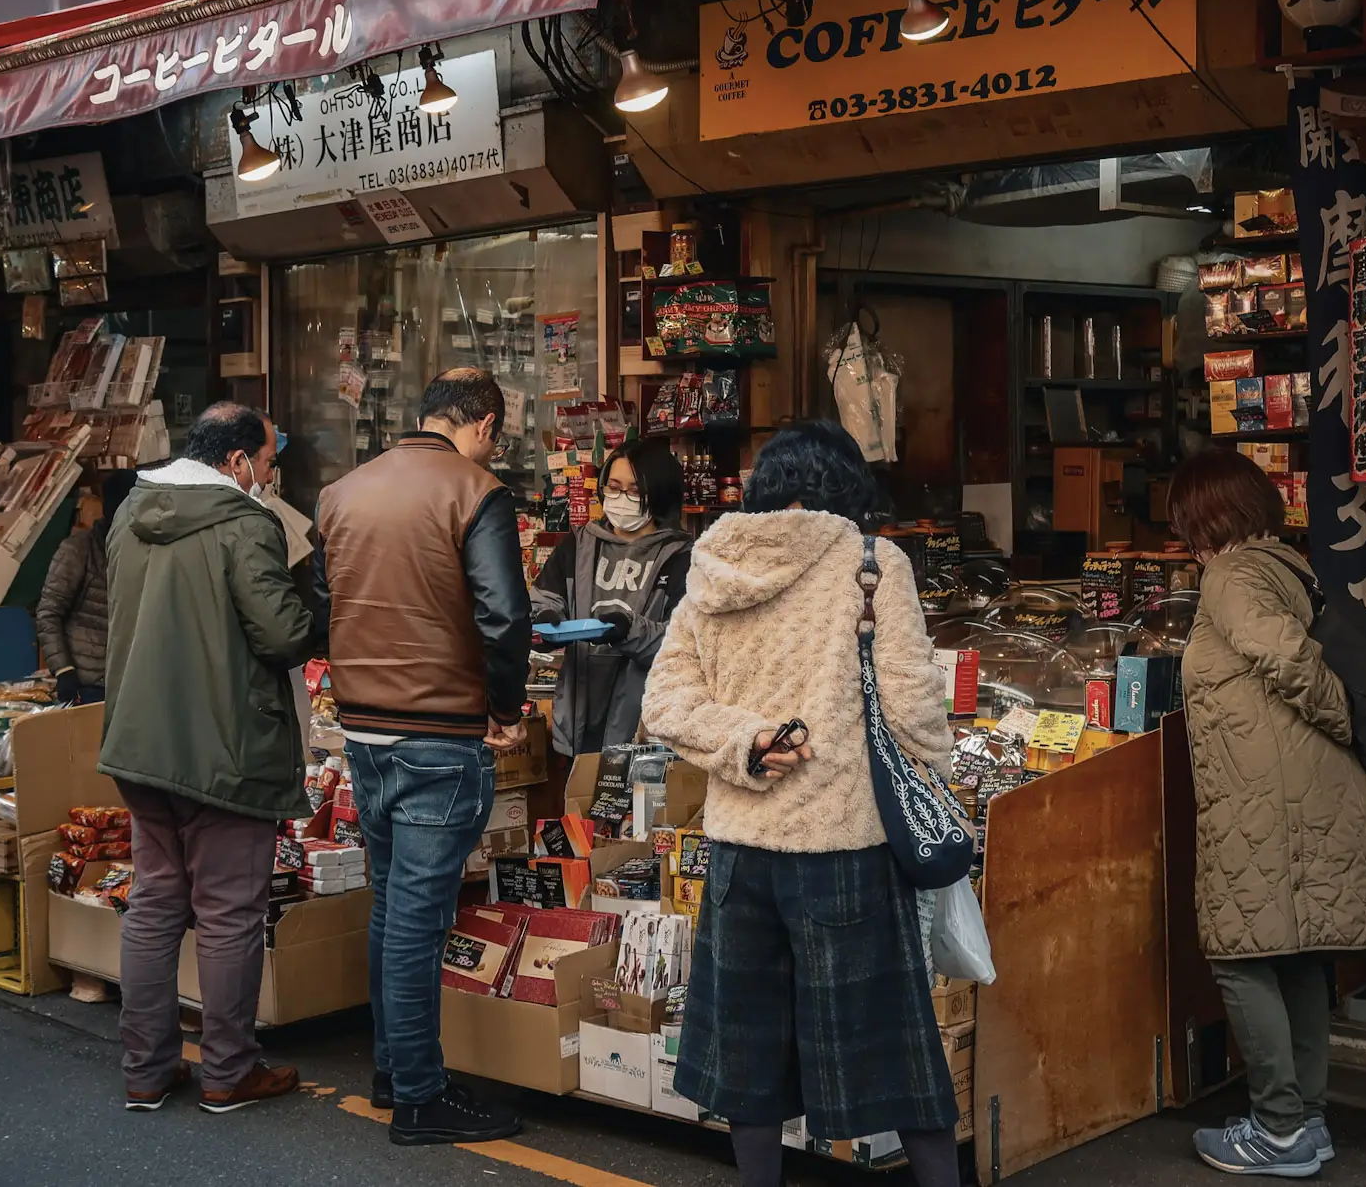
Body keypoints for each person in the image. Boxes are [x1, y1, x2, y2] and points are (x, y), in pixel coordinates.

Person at [641, 421, 966, 1187]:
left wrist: (749, 740)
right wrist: (935, 776)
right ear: (843, 488)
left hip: (738, 853)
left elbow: (667, 700)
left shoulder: (712, 564)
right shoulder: (870, 562)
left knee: (747, 1048)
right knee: (898, 1046)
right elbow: (914, 706)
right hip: (843, 848)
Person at [315, 368, 530, 1146]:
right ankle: (418, 1092)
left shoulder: (342, 492)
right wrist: (505, 709)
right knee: (417, 920)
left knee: (390, 908)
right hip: (439, 731)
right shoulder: (475, 490)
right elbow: (505, 616)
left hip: (364, 730)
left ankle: (391, 1068)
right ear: (484, 425)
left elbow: (323, 600)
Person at [1168, 450, 1366, 1179]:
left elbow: (1284, 653)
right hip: (1296, 796)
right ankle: (1308, 1120)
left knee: (1239, 953)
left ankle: (1278, 1127)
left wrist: (1342, 716)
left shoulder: (1232, 574)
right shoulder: (1285, 565)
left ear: (1206, 518)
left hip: (1265, 804)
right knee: (1297, 954)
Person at [100, 404, 314, 1117]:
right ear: (236, 463)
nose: (268, 477)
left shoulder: (130, 512)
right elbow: (282, 635)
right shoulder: (245, 523)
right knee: (228, 911)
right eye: (266, 462)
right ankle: (227, 1067)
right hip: (223, 744)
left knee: (156, 905)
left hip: (139, 740)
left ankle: (147, 1069)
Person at [530, 437, 691, 759]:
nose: (621, 499)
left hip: (648, 726)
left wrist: (628, 630)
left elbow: (685, 643)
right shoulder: (577, 545)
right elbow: (542, 599)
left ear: (658, 495)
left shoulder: (683, 558)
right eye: (614, 487)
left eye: (634, 491)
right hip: (579, 713)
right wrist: (544, 623)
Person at [36, 472, 135, 704]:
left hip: (131, 683)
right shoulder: (78, 550)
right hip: (88, 685)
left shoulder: (144, 551)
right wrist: (63, 670)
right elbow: (48, 614)